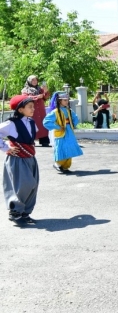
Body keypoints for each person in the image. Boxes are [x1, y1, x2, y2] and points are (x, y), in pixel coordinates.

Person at [1, 95, 40, 225]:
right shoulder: (12, 123)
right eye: (30, 107)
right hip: (17, 160)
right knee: (24, 185)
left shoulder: (31, 122)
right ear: (20, 109)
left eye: (33, 106)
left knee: (33, 185)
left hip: (30, 158)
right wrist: (6, 147)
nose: (33, 109)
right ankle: (15, 211)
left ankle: (25, 212)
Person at [43, 91, 83, 173]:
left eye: (67, 100)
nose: (66, 102)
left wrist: (72, 124)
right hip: (60, 132)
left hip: (69, 132)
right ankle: (57, 164)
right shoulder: (55, 112)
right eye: (64, 100)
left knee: (69, 147)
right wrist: (57, 126)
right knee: (61, 148)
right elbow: (46, 122)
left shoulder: (69, 110)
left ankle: (66, 166)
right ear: (59, 101)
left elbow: (76, 118)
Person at [21, 75, 50, 147]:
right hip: (31, 110)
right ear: (29, 81)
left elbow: (46, 97)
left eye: (36, 80)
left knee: (43, 125)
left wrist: (46, 92)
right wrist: (37, 97)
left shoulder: (40, 89)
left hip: (41, 110)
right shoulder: (25, 90)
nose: (34, 81)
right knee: (32, 125)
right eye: (33, 80)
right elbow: (25, 98)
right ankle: (31, 141)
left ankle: (44, 141)